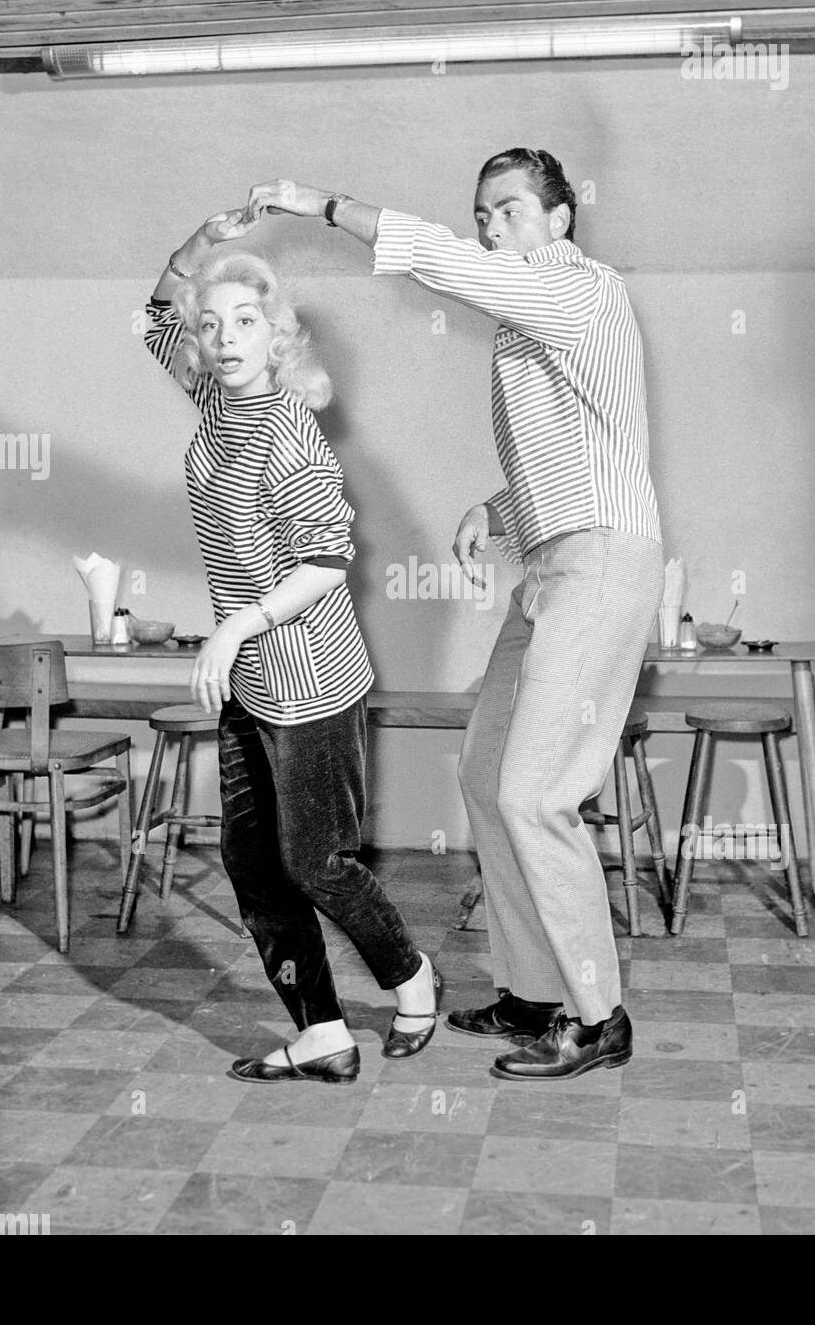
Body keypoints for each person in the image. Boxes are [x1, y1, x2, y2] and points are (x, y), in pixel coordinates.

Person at [244, 151, 664, 1081]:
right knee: (485, 775)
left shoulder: (584, 293)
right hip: (555, 559)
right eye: (481, 214)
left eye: (510, 210)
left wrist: (323, 204)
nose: (489, 227)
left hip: (599, 562)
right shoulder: (530, 328)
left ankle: (598, 1017)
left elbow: (450, 265)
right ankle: (534, 991)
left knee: (537, 794)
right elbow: (581, 448)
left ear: (560, 221)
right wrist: (499, 509)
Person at [141, 214, 442, 1083]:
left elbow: (324, 559)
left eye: (245, 323)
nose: (223, 338)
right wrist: (199, 238)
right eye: (213, 325)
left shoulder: (288, 430)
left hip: (309, 676)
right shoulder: (212, 398)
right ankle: (320, 1030)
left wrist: (233, 625)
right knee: (250, 858)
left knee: (315, 860)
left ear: (277, 341)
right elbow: (158, 310)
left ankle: (411, 975)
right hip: (249, 678)